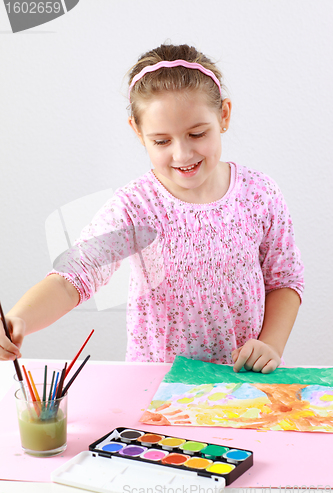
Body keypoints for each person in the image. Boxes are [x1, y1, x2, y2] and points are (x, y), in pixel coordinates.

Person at [0, 43, 304, 373]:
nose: (183, 154)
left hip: (245, 380)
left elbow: (284, 280)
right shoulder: (135, 206)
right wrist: (18, 319)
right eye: (162, 141)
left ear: (224, 116)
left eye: (197, 133)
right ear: (137, 131)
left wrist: (271, 344)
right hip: (158, 387)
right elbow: (72, 278)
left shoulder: (259, 194)